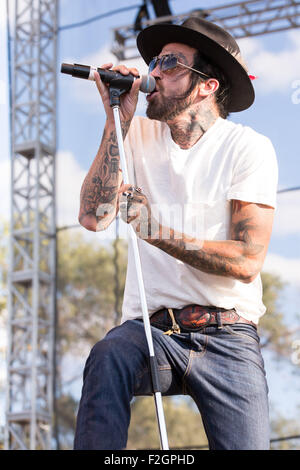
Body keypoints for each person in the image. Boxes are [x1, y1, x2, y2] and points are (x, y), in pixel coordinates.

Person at [74, 17, 278, 450]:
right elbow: (93, 216)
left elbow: (246, 260)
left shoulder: (247, 148)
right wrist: (117, 120)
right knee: (109, 354)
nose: (154, 73)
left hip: (228, 336)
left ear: (206, 85)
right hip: (152, 332)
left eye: (170, 63)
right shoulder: (137, 131)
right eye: (155, 62)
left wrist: (154, 232)